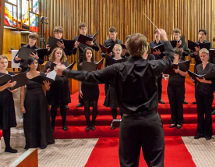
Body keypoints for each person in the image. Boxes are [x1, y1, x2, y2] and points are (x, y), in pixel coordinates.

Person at [56, 29, 174, 167]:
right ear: (145, 50)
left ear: (127, 49)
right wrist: (165, 38)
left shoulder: (118, 68)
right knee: (156, 164)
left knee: (128, 164)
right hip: (151, 121)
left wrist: (65, 71)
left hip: (128, 122)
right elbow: (170, 58)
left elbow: (90, 76)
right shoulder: (154, 66)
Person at [20, 57, 55, 149]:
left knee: (41, 119)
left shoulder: (42, 74)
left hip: (40, 98)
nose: (34, 64)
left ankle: (42, 141)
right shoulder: (24, 75)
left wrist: (47, 86)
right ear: (28, 65)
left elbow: (46, 89)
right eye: (32, 63)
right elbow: (22, 91)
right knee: (30, 120)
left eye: (36, 63)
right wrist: (21, 105)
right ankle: (31, 142)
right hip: (29, 98)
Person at [190, 48, 215, 140]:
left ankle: (208, 133)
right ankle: (200, 132)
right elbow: (196, 79)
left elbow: (214, 82)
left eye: (204, 56)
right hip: (199, 92)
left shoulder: (212, 67)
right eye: (201, 56)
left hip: (208, 92)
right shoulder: (197, 66)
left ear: (208, 56)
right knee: (200, 113)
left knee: (208, 114)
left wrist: (206, 81)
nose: (202, 57)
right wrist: (194, 79)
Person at [43, 48, 71, 132]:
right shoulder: (49, 63)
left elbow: (69, 74)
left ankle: (64, 123)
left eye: (60, 53)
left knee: (63, 106)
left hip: (63, 86)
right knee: (54, 106)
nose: (58, 54)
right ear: (54, 54)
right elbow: (44, 75)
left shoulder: (65, 63)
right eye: (57, 53)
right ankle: (53, 124)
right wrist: (47, 73)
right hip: (53, 87)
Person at [73, 22, 99, 108]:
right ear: (79, 29)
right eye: (82, 29)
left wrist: (92, 44)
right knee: (81, 79)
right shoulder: (76, 39)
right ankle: (81, 101)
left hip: (90, 61)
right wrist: (75, 46)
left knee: (90, 80)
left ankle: (91, 100)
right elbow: (73, 52)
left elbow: (97, 48)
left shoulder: (91, 38)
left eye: (85, 29)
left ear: (86, 29)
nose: (83, 30)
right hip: (81, 61)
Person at [78, 47, 99, 131]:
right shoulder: (81, 65)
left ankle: (93, 123)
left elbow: (100, 76)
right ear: (85, 54)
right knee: (86, 106)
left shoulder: (95, 64)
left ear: (92, 54)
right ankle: (88, 124)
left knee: (94, 106)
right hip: (85, 87)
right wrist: (79, 90)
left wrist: (95, 74)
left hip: (94, 87)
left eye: (90, 53)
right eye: (87, 53)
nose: (89, 54)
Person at [0, 55, 18, 153]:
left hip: (7, 102)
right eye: (2, 62)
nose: (4, 64)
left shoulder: (11, 74)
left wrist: (11, 88)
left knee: (7, 125)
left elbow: (15, 90)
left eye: (6, 62)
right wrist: (6, 85)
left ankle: (8, 146)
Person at [103, 44, 123, 130]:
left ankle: (123, 122)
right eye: (116, 50)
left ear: (121, 51)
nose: (118, 51)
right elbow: (106, 73)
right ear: (114, 51)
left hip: (122, 86)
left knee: (122, 106)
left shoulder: (125, 60)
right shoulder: (109, 60)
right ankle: (114, 121)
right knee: (113, 106)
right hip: (113, 85)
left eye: (119, 50)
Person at [190, 29, 212, 104]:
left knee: (205, 81)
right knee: (197, 81)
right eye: (200, 34)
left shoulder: (208, 43)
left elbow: (210, 53)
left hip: (206, 64)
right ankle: (197, 99)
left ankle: (207, 97)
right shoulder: (195, 44)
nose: (201, 35)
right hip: (198, 64)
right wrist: (196, 52)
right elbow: (191, 54)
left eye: (203, 34)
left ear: (205, 35)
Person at [166, 48, 186, 129]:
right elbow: (167, 73)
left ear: (179, 56)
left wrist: (179, 71)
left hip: (179, 86)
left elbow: (185, 74)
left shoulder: (182, 63)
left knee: (179, 104)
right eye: (174, 55)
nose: (174, 56)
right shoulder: (170, 63)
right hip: (171, 85)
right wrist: (165, 74)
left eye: (176, 55)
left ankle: (179, 121)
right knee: (172, 104)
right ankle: (173, 121)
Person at [101, 27, 123, 97]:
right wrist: (106, 54)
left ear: (116, 33)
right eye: (110, 34)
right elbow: (102, 53)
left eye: (113, 34)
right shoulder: (106, 42)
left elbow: (121, 53)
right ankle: (107, 96)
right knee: (107, 80)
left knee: (117, 79)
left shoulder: (119, 42)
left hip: (117, 63)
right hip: (109, 62)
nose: (112, 36)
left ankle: (117, 95)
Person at [172, 28, 189, 104]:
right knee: (173, 79)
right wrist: (176, 47)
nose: (176, 35)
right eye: (175, 34)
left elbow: (187, 52)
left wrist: (182, 50)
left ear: (179, 34)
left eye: (177, 34)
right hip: (174, 62)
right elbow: (169, 52)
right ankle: (174, 97)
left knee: (182, 81)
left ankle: (182, 98)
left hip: (182, 61)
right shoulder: (172, 43)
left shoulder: (184, 43)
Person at [150, 29, 165, 104]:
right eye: (155, 33)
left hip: (160, 64)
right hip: (153, 64)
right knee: (152, 83)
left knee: (159, 83)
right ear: (154, 35)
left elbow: (165, 53)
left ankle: (159, 98)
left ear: (160, 35)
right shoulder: (151, 44)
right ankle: (153, 99)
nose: (157, 35)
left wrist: (160, 52)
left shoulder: (163, 44)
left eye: (158, 34)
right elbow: (149, 53)